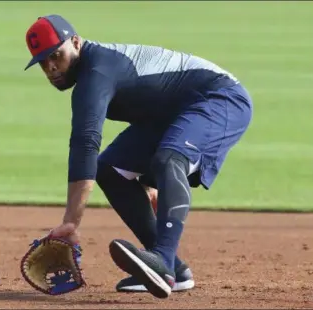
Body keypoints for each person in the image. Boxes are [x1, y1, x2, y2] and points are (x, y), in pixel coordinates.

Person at [24, 14, 253, 298]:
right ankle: (174, 271)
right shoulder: (89, 77)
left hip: (219, 98)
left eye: (56, 55)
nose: (51, 67)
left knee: (170, 159)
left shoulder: (97, 73)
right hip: (171, 113)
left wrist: (71, 221)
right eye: (43, 62)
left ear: (75, 42)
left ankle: (163, 262)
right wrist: (147, 181)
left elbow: (85, 142)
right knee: (109, 169)